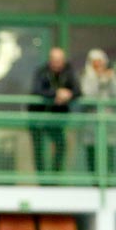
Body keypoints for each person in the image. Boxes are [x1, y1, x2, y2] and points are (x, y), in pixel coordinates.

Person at [29, 46, 79, 174]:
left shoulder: (69, 72)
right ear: (50, 60)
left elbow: (78, 90)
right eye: (55, 60)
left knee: (60, 145)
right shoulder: (42, 72)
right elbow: (37, 90)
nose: (57, 63)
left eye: (60, 60)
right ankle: (42, 179)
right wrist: (56, 93)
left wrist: (68, 94)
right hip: (38, 117)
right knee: (39, 149)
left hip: (57, 118)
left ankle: (55, 177)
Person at [79, 48, 116, 175]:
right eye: (95, 62)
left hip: (108, 123)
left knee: (108, 151)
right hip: (91, 123)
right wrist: (98, 80)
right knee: (92, 152)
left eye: (101, 61)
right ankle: (95, 180)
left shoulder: (111, 76)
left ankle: (108, 178)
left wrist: (110, 80)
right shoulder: (86, 76)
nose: (98, 65)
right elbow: (87, 96)